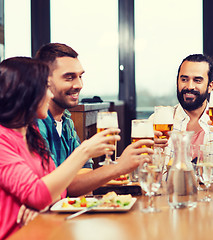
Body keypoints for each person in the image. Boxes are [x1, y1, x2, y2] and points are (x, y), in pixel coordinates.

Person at [0, 57, 119, 239]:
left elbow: (59, 191)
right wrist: (85, 150)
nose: (50, 95)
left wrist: (40, 204)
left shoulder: (32, 134)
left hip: (41, 232)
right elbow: (39, 194)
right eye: (45, 88)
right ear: (26, 93)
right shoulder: (2, 139)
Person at [35, 43, 153, 196]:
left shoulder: (66, 121)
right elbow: (56, 189)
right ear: (45, 81)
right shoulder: (34, 124)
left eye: (80, 76)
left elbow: (84, 175)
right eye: (69, 77)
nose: (79, 85)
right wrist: (118, 167)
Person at [152, 54, 213, 170]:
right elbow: (139, 173)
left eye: (197, 80)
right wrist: (150, 152)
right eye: (184, 79)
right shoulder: (157, 120)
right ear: (177, 82)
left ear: (210, 86)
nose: (189, 86)